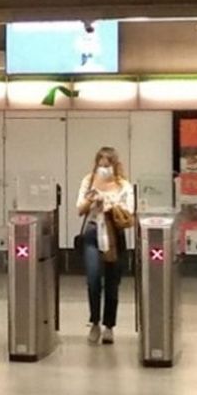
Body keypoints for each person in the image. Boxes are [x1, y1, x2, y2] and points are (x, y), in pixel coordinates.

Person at [77, 147, 135, 345]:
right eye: (101, 165)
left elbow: (128, 212)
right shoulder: (88, 181)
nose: (104, 169)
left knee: (112, 282)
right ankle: (94, 322)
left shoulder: (124, 185)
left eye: (107, 165)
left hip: (114, 235)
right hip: (93, 233)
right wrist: (91, 200)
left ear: (115, 165)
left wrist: (109, 205)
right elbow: (79, 209)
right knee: (93, 280)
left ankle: (109, 326)